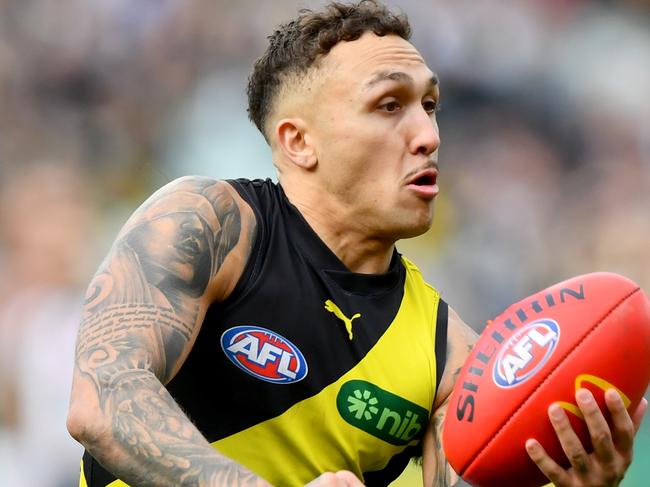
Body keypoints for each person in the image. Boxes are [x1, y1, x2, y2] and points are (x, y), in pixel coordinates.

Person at [66, 2, 647, 486]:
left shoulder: (449, 356)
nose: (427, 135)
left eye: (430, 106)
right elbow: (103, 402)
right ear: (299, 142)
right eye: (389, 106)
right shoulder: (211, 224)